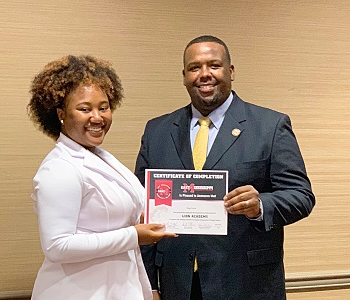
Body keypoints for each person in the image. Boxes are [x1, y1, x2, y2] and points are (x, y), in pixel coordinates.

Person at [135, 35, 315, 299]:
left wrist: (260, 205)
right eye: (195, 67)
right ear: (184, 76)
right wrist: (149, 283)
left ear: (230, 71)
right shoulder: (157, 131)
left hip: (246, 283)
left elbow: (301, 196)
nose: (204, 74)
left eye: (214, 65)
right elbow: (143, 209)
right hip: (178, 283)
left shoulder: (270, 126)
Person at [27, 55, 176, 300]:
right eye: (84, 109)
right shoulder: (60, 168)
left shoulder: (102, 157)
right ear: (61, 114)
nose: (97, 117)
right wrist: (134, 235)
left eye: (103, 107)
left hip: (117, 286)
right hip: (78, 291)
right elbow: (57, 247)